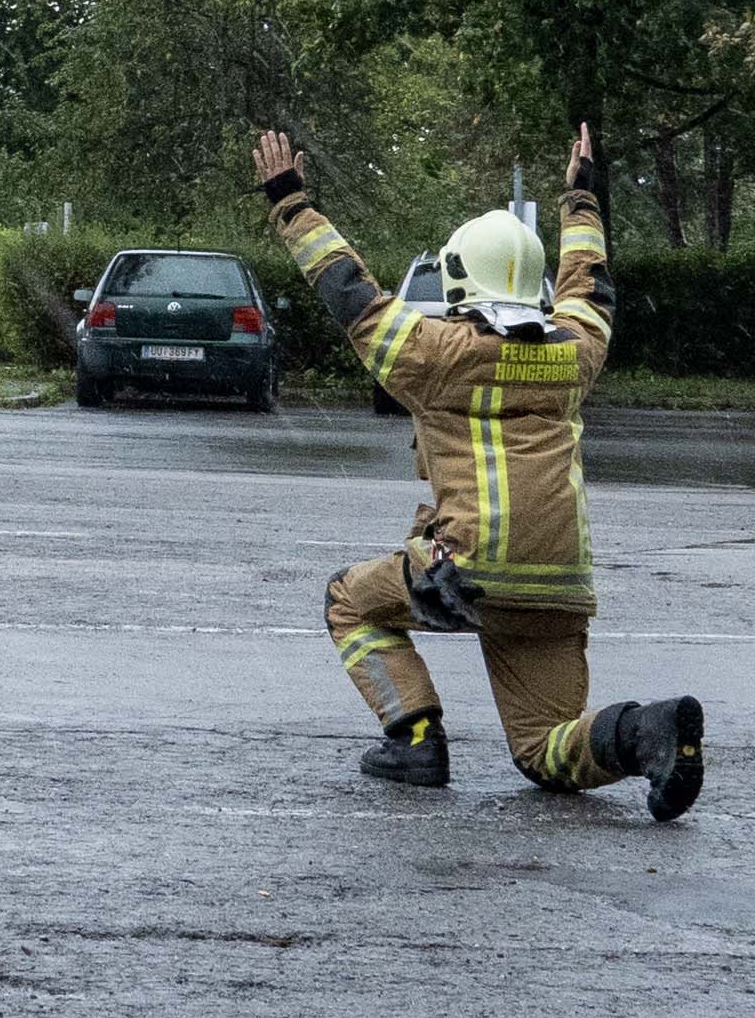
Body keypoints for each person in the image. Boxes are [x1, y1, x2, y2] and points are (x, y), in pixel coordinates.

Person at [256, 122, 704, 815]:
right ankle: (643, 732)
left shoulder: (432, 353)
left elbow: (350, 292)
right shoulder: (574, 353)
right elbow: (592, 284)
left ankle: (415, 738)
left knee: (348, 600)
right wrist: (579, 198)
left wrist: (290, 202)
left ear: (457, 275)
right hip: (559, 578)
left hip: (465, 569)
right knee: (545, 751)